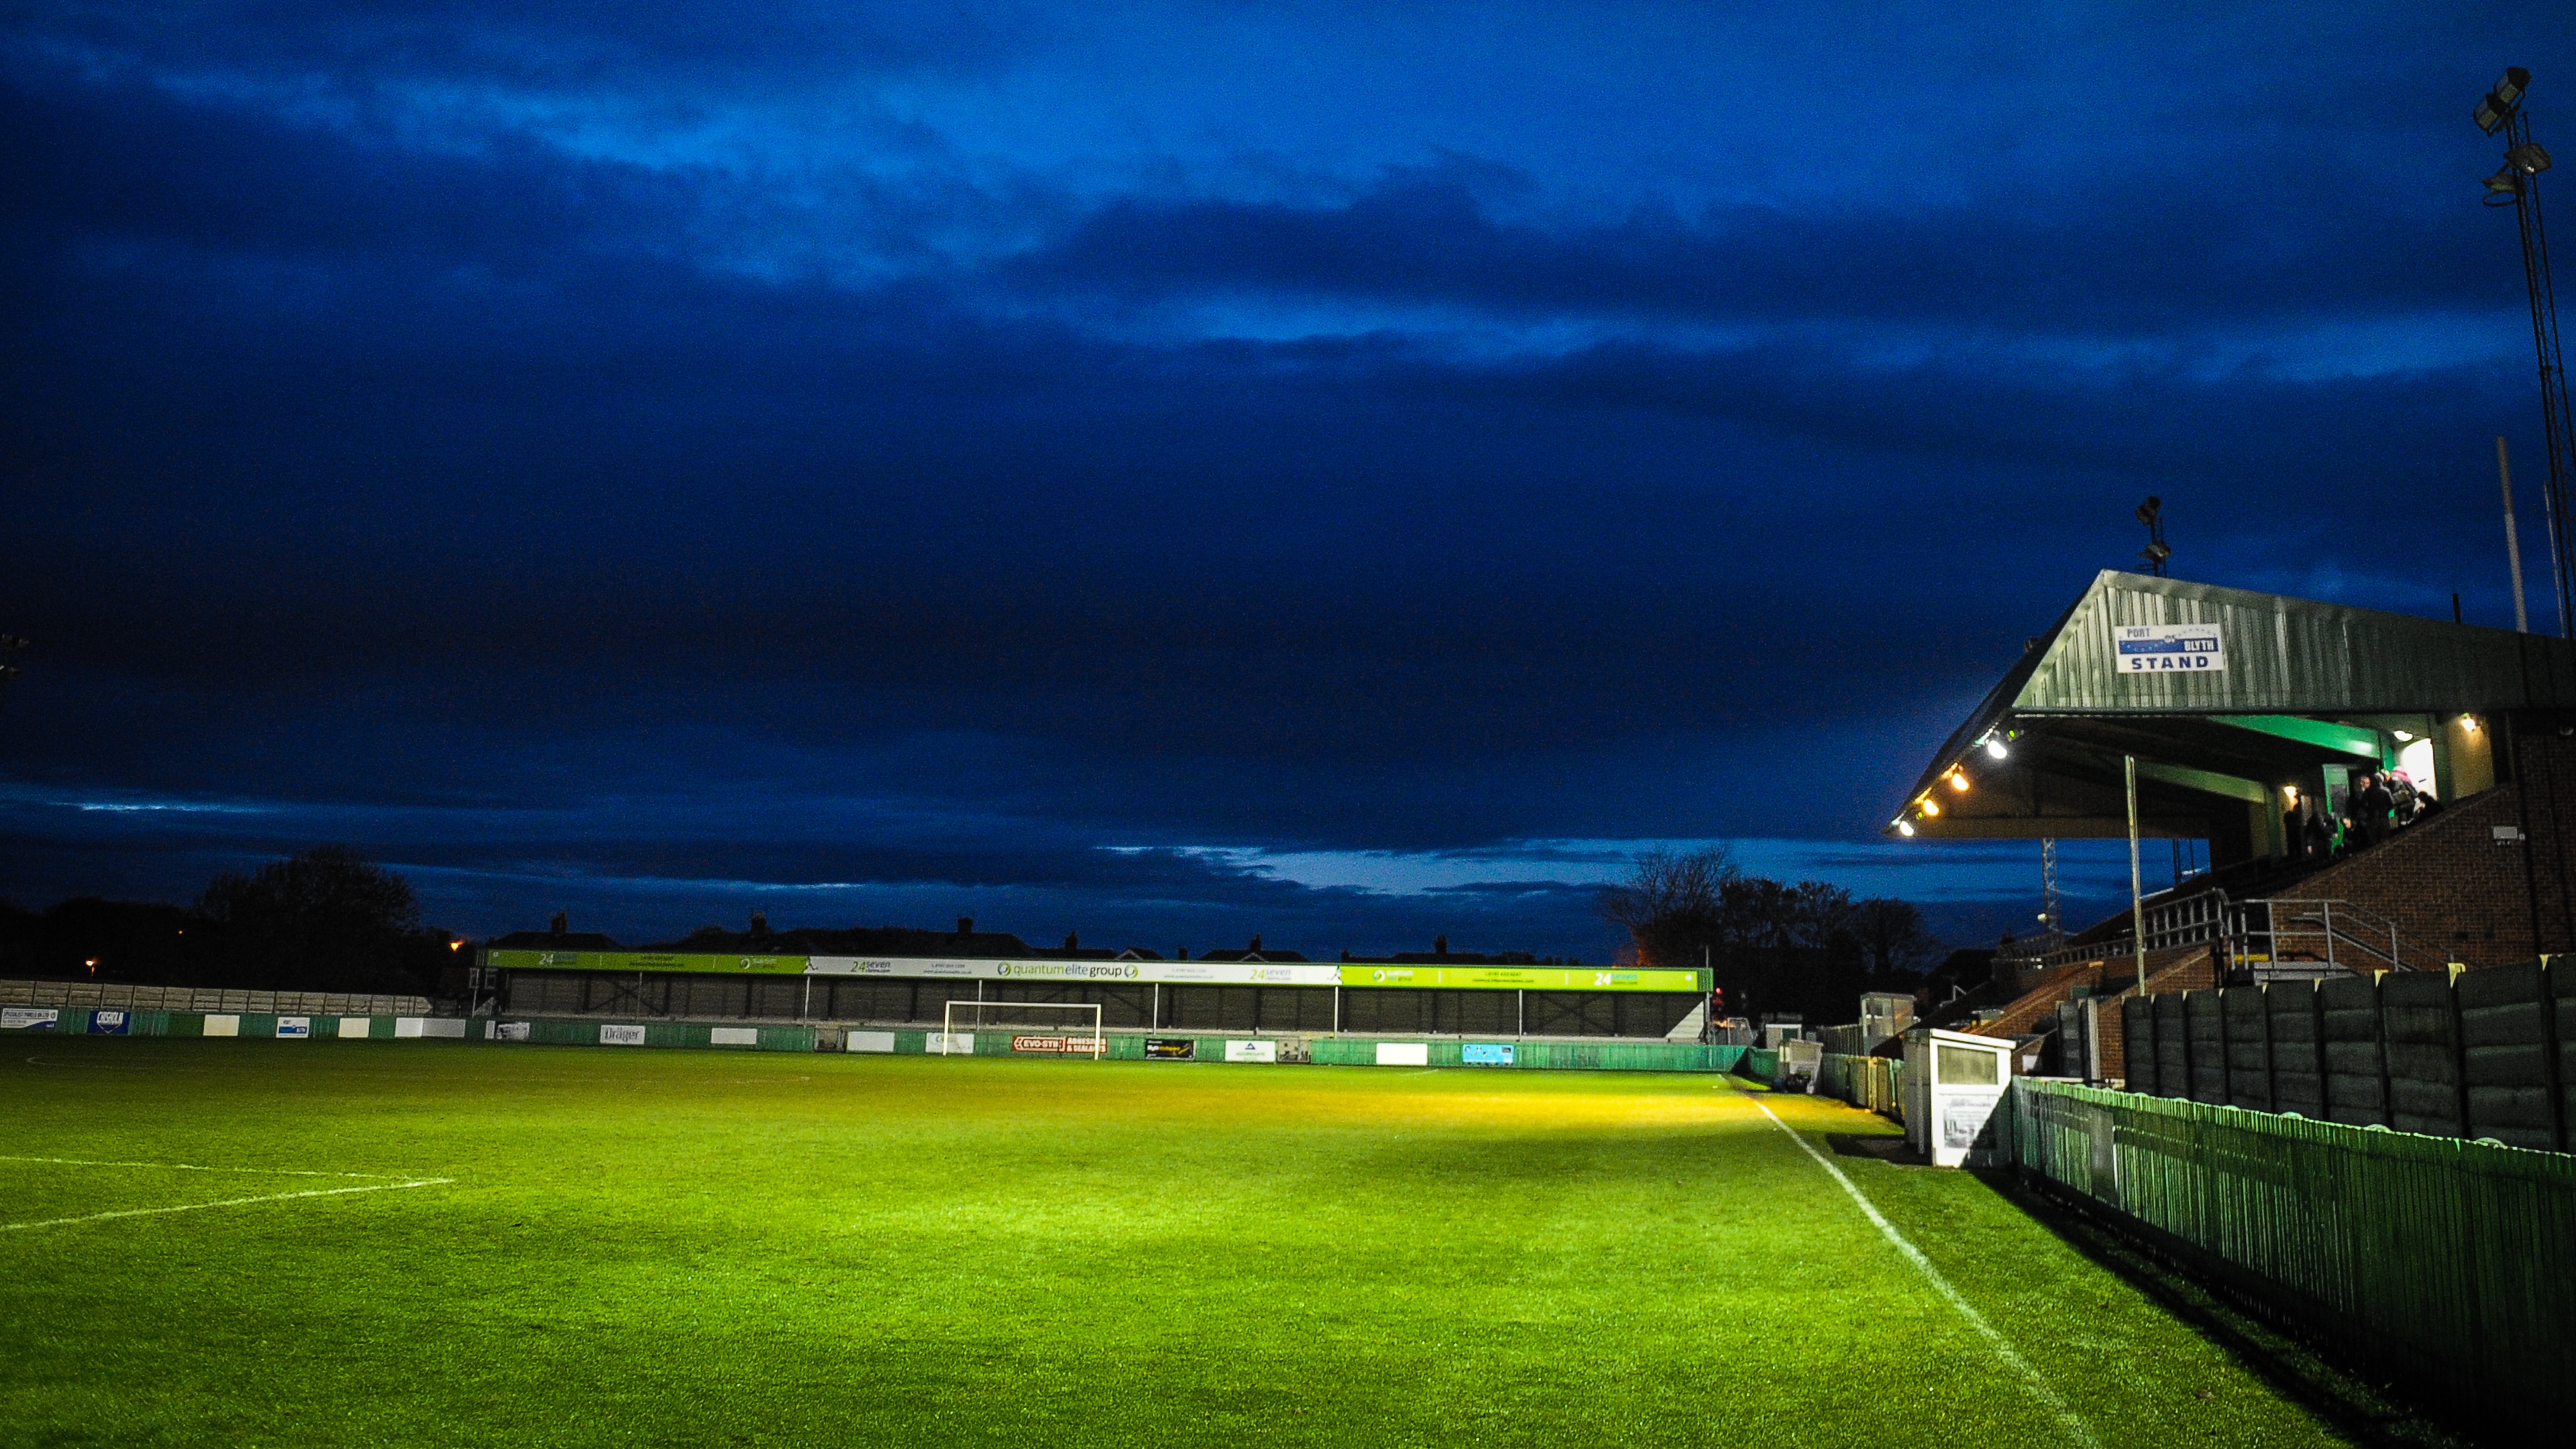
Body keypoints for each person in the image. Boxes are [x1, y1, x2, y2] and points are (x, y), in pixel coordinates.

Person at [2353, 773, 2395, 848]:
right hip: (2384, 818)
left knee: (2374, 842)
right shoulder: (2385, 791)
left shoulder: (2367, 793)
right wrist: (2385, 812)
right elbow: (2391, 804)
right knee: (2385, 840)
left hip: (2372, 819)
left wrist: (2369, 812)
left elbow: (2363, 805)